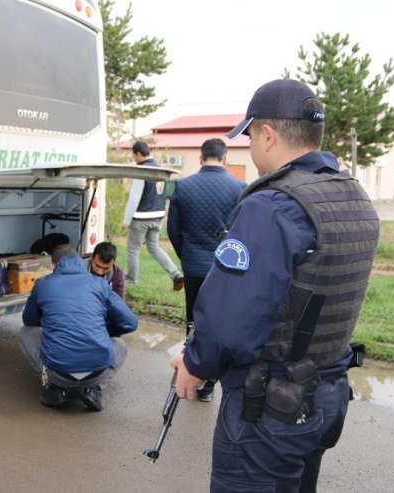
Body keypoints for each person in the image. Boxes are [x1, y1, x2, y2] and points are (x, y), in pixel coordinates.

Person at [169, 79, 379, 491]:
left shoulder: (272, 206)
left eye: (248, 136)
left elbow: (231, 321)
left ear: (268, 135)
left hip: (269, 407)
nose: (248, 146)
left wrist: (194, 364)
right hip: (324, 394)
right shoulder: (353, 195)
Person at [166, 138, 246, 402]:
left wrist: (186, 255)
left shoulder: (183, 187)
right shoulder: (239, 188)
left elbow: (173, 230)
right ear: (225, 159)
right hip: (226, 272)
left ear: (201, 158)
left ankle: (189, 371)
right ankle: (209, 383)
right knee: (220, 323)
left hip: (193, 267)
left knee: (193, 321)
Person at [19, 244, 138, 411]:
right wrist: (104, 332)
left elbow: (29, 320)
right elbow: (131, 322)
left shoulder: (42, 284)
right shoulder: (100, 284)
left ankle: (57, 387)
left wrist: (52, 322)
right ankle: (94, 389)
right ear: (80, 261)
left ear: (53, 264)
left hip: (59, 374)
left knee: (26, 332)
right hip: (97, 373)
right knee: (120, 345)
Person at [122, 141, 183, 290]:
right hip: (157, 217)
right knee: (155, 248)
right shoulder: (160, 169)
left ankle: (131, 280)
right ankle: (175, 274)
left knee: (133, 249)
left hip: (141, 217)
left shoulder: (142, 171)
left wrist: (127, 220)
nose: (134, 159)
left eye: (133, 155)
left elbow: (135, 197)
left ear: (137, 154)